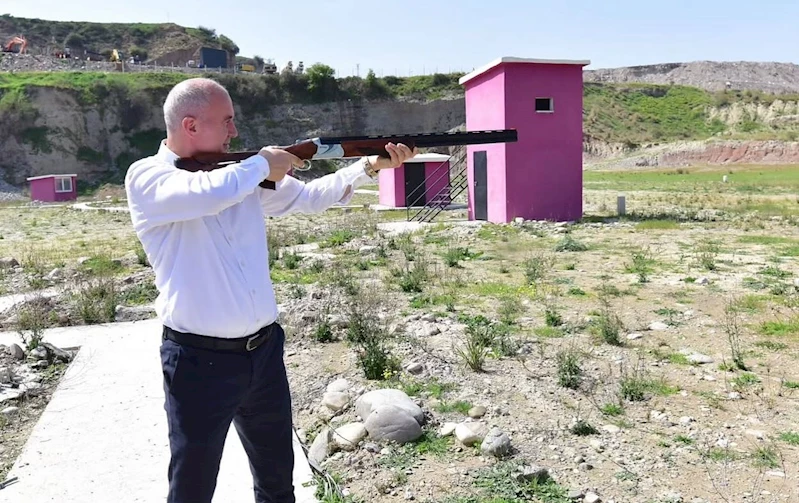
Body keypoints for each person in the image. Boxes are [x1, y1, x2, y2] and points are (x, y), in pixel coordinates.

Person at [124, 77, 417, 503]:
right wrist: (263, 164)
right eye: (226, 121)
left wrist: (368, 166)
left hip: (262, 354)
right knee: (192, 486)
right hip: (197, 363)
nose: (234, 132)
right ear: (189, 126)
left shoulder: (236, 176)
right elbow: (208, 195)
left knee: (278, 480)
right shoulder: (149, 178)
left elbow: (311, 197)